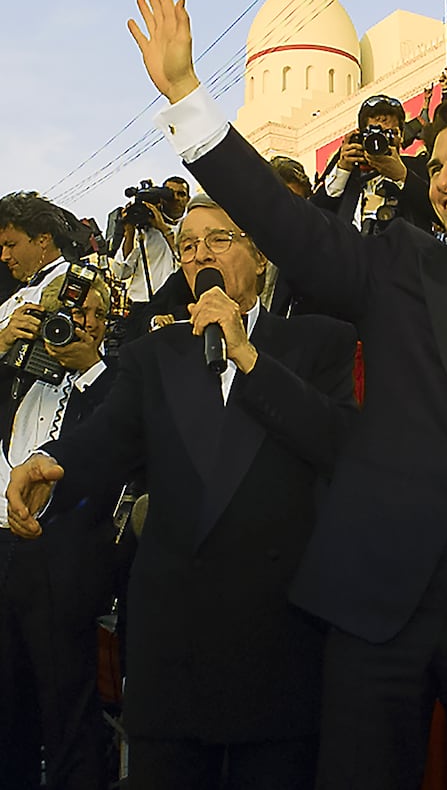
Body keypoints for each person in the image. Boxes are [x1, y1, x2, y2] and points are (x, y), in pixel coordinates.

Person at [25, 0, 447, 790]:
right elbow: (284, 220)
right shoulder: (397, 265)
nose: (445, 177)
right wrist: (186, 94)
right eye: (436, 163)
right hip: (373, 612)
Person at [6, 193, 358, 790]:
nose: (200, 255)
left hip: (278, 630)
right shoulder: (152, 356)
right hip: (174, 637)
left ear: (261, 258)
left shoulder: (317, 343)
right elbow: (105, 443)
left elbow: (338, 444)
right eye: (187, 246)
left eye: (219, 240)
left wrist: (248, 357)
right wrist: (50, 463)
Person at [0, 272, 118, 790]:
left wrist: (88, 368)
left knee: (66, 705)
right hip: (2, 546)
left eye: (91, 314)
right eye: (66, 312)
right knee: (6, 704)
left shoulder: (114, 380)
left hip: (60, 560)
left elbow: (117, 441)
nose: (76, 323)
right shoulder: (14, 367)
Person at [311, 94, 435, 235]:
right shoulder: (348, 178)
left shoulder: (418, 167)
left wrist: (403, 177)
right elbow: (312, 219)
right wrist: (342, 169)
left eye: (390, 133)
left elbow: (439, 210)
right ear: (361, 137)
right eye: (374, 133)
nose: (380, 141)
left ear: (401, 137)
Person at [110, 175, 190, 338]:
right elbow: (122, 272)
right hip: (142, 309)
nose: (175, 199)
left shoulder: (190, 229)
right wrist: (130, 231)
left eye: (181, 194)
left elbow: (186, 261)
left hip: (178, 308)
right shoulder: (144, 229)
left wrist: (163, 228)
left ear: (188, 199)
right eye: (170, 193)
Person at [0, 193, 73, 348]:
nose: (4, 256)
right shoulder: (26, 284)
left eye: (11, 245)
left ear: (43, 240)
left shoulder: (68, 287)